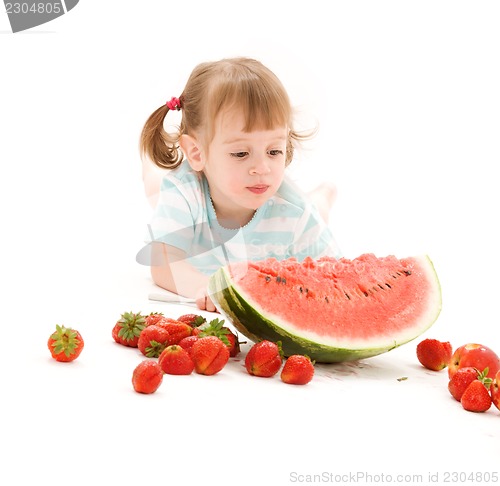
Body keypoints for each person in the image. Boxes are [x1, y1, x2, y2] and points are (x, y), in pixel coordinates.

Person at [139, 57, 340, 311]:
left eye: (274, 151)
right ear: (197, 153)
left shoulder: (294, 211)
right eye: (241, 154)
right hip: (188, 196)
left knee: (314, 208)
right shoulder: (184, 192)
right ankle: (150, 167)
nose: (262, 168)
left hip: (299, 209)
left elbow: (334, 274)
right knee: (156, 188)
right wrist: (205, 285)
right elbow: (162, 264)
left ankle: (322, 197)